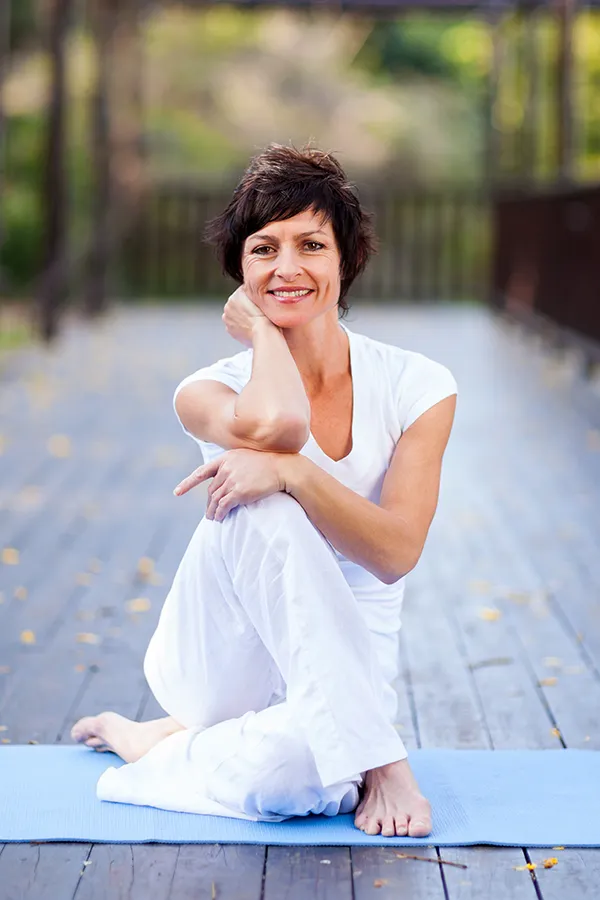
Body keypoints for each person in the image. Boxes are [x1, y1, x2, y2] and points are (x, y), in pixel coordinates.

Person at [71, 143, 457, 838]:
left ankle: (156, 745)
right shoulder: (206, 389)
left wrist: (296, 471)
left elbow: (395, 553)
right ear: (239, 274)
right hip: (224, 660)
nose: (287, 268)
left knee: (299, 777)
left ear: (346, 260)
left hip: (348, 676)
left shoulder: (418, 386)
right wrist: (262, 335)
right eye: (263, 250)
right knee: (266, 503)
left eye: (311, 244)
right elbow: (277, 423)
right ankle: (382, 759)